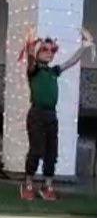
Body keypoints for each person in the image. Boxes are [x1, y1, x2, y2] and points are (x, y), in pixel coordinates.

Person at [19, 27, 93, 201]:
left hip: (51, 116)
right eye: (45, 50)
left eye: (52, 50)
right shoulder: (34, 71)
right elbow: (30, 59)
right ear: (38, 53)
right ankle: (27, 183)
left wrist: (85, 46)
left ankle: (47, 185)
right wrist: (30, 44)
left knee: (52, 152)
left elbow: (71, 61)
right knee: (36, 150)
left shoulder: (53, 72)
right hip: (36, 115)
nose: (49, 53)